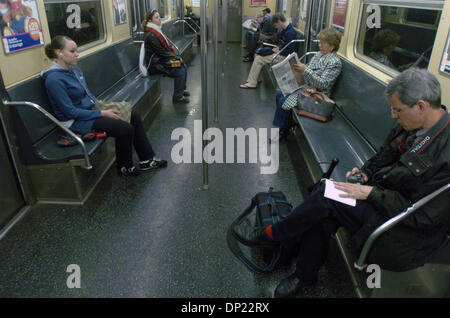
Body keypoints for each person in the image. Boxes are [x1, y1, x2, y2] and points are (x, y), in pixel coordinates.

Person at [232, 67, 450, 297]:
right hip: (385, 200)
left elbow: (422, 215)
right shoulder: (411, 126)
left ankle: (273, 236)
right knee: (324, 204)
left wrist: (369, 193)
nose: (393, 116)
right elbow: (384, 155)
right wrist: (365, 173)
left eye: (398, 110)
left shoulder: (445, 154)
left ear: (422, 106)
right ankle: (304, 274)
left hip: (404, 230)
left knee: (326, 198)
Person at [42, 36, 167, 176]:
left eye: (77, 50)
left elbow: (87, 94)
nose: (77, 54)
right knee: (124, 129)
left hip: (89, 111)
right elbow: (69, 112)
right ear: (59, 53)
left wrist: (101, 106)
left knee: (133, 115)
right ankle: (124, 166)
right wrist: (102, 113)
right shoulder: (54, 80)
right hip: (74, 122)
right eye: (72, 51)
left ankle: (147, 160)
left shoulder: (75, 70)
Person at [272, 28, 342, 142]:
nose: (320, 45)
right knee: (279, 94)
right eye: (319, 42)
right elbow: (309, 69)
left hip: (317, 94)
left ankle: (283, 131)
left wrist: (305, 70)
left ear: (332, 45)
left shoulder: (334, 62)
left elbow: (324, 84)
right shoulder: (319, 55)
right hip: (307, 87)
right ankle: (286, 124)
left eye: (323, 43)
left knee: (283, 100)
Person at [142, 9, 190, 104]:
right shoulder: (151, 35)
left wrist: (176, 57)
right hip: (155, 65)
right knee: (180, 70)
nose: (159, 19)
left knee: (183, 66)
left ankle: (181, 90)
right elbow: (162, 52)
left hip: (160, 60)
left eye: (159, 16)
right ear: (150, 21)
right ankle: (177, 97)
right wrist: (176, 58)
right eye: (156, 17)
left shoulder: (155, 31)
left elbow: (163, 52)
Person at [240, 13, 298, 89]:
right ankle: (255, 79)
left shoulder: (290, 32)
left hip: (284, 56)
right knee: (258, 55)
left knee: (259, 58)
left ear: (279, 22)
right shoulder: (286, 30)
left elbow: (289, 50)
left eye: (276, 25)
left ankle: (252, 82)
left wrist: (279, 50)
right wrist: (278, 48)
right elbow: (282, 43)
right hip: (281, 52)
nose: (276, 27)